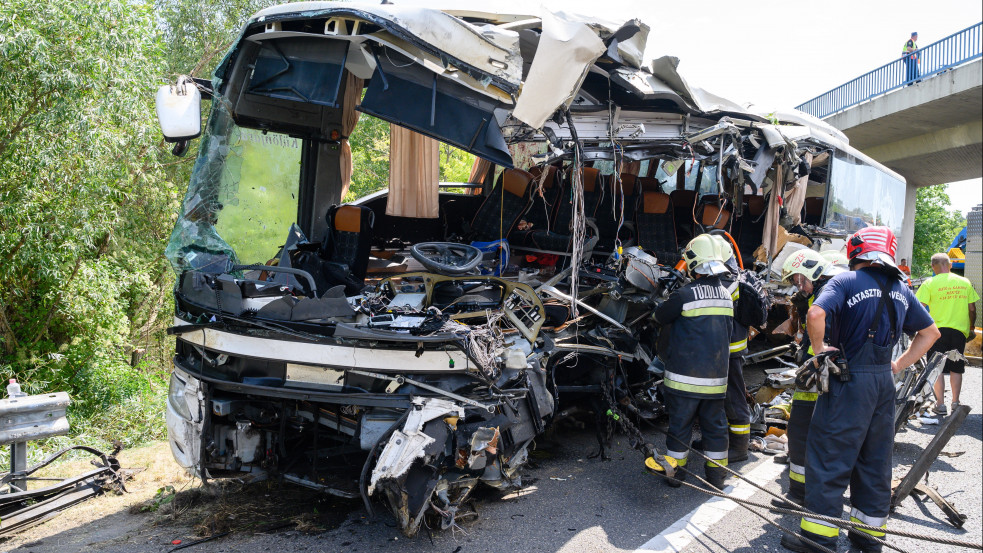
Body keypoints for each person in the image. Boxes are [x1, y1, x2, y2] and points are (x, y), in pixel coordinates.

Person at [782, 227, 939, 553]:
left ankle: (818, 539)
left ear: (856, 252)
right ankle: (868, 537)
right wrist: (899, 364)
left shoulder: (844, 281)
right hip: (883, 383)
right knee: (875, 460)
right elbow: (930, 333)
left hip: (848, 380)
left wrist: (819, 351)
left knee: (829, 457)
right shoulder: (901, 288)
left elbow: (815, 313)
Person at [645, 234, 734, 489]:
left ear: (694, 264)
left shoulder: (684, 295)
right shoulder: (726, 296)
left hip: (684, 381)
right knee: (715, 428)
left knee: (680, 427)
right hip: (716, 381)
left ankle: (676, 475)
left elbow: (658, 317)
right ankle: (716, 478)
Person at [776, 249, 842, 507]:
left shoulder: (825, 297)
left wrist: (813, 353)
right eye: (795, 282)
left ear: (813, 272)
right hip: (826, 375)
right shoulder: (828, 292)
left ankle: (799, 494)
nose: (798, 286)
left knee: (800, 433)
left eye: (800, 280)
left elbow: (823, 335)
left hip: (819, 374)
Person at [916, 253, 979, 415]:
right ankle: (955, 403)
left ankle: (940, 404)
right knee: (956, 367)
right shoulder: (964, 282)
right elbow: (972, 309)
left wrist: (920, 328)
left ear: (933, 267)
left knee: (937, 366)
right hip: (959, 332)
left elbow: (918, 308)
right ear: (950, 265)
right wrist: (971, 327)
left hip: (936, 332)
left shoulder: (929, 283)